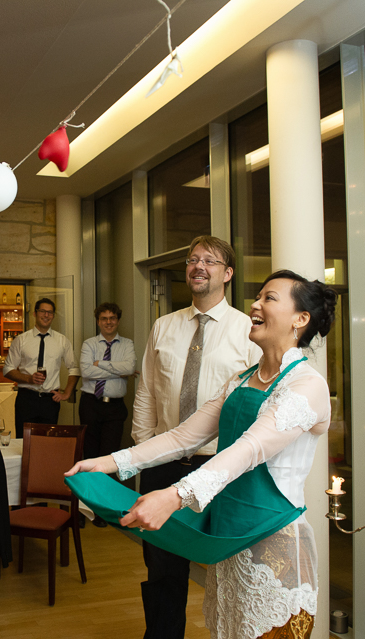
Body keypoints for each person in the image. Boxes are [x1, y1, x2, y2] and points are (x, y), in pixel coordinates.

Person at [68, 270, 336, 639]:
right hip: (228, 538)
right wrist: (111, 462)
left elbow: (248, 449)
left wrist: (173, 497)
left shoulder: (307, 385)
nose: (255, 304)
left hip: (274, 542)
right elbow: (182, 437)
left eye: (269, 298)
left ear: (300, 319)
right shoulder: (241, 379)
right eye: (257, 296)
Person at [130, 235, 261, 638]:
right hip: (163, 466)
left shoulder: (248, 331)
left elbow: (257, 406)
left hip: (218, 468)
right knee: (163, 571)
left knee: (229, 571)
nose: (198, 266)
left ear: (228, 273)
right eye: (192, 260)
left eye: (209, 260)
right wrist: (141, 454)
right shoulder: (163, 326)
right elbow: (147, 392)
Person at [78, 302, 135, 528]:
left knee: (109, 459)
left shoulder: (128, 344)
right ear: (98, 321)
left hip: (114, 408)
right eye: (104, 318)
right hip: (90, 405)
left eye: (112, 318)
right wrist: (117, 370)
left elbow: (129, 368)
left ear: (118, 320)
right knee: (89, 455)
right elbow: (86, 371)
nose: (108, 322)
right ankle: (86, 508)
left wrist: (100, 363)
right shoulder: (88, 343)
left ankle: (103, 512)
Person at [3, 297, 80, 429]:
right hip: (26, 398)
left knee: (47, 442)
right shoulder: (21, 340)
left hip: (50, 400)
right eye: (42, 311)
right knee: (24, 442)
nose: (46, 315)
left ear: (53, 316)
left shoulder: (62, 341)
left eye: (50, 312)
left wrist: (67, 393)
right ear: (34, 313)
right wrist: (28, 378)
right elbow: (7, 369)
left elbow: (74, 368)